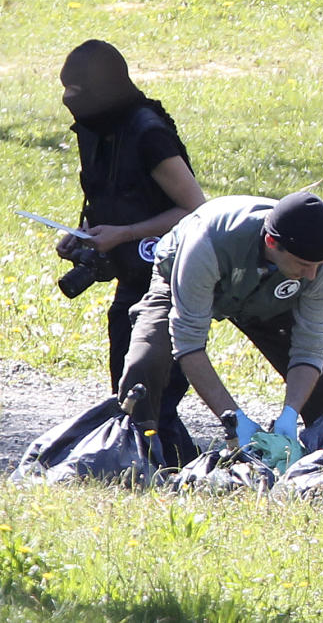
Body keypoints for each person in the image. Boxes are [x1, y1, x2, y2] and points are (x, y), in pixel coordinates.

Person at [117, 191, 323, 456]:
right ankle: (134, 458)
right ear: (271, 242)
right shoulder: (209, 240)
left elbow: (311, 346)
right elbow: (189, 342)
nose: (312, 275)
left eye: (318, 265)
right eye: (304, 264)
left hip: (268, 297)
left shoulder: (321, 265)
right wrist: (235, 420)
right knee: (146, 360)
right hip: (182, 274)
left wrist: (290, 415)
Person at [57, 39, 206, 463]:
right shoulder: (97, 130)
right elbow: (111, 192)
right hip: (131, 279)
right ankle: (144, 460)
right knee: (124, 383)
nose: (68, 99)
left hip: (173, 278)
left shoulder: (148, 134)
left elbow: (197, 209)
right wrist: (82, 233)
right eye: (65, 89)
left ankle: (168, 466)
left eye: (77, 91)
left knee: (151, 394)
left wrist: (124, 234)